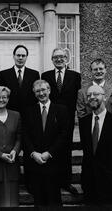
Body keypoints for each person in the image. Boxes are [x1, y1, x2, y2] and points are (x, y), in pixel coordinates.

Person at [79, 85, 112, 205]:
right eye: (89, 95)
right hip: (89, 184)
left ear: (104, 97)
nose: (92, 97)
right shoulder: (84, 123)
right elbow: (88, 152)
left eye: (96, 94)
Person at [22, 79, 69, 206]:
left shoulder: (61, 110)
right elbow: (25, 135)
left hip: (53, 161)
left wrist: (50, 153)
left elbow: (64, 135)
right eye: (38, 91)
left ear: (49, 90)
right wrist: (33, 153)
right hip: (35, 161)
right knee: (38, 199)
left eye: (43, 90)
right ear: (34, 93)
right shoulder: (29, 111)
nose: (41, 93)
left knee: (54, 199)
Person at [41, 48, 81, 194]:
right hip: (50, 118)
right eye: (56, 57)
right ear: (52, 59)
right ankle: (52, 181)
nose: (59, 59)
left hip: (68, 119)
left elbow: (79, 97)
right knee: (51, 147)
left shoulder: (76, 76)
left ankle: (66, 182)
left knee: (65, 150)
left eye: (62, 57)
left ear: (66, 58)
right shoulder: (45, 75)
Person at [0, 44, 40, 116]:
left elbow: (36, 95)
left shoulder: (34, 74)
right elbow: (0, 95)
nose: (20, 58)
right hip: (9, 114)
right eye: (18, 55)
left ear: (26, 57)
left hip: (29, 114)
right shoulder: (3, 74)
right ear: (13, 56)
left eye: (23, 56)